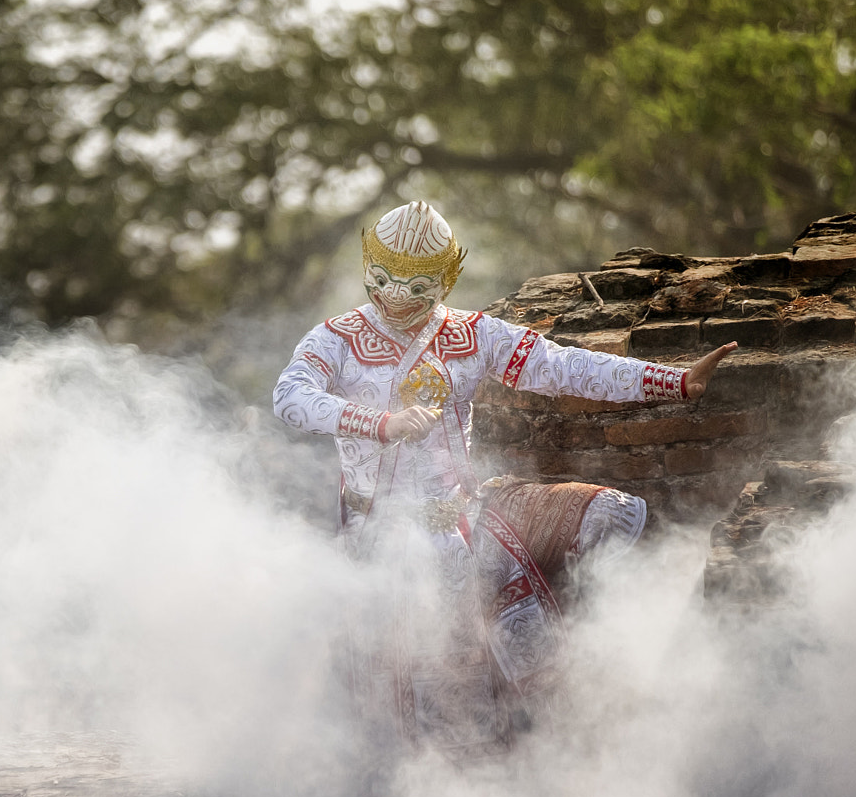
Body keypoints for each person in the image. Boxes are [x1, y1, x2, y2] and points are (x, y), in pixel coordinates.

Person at [274, 201, 734, 757]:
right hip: (381, 535)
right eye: (382, 280)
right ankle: (444, 782)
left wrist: (675, 382)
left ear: (446, 279)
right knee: (432, 676)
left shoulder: (472, 335)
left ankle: (612, 678)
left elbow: (567, 367)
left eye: (416, 286)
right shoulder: (336, 340)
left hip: (468, 517)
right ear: (366, 266)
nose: (396, 297)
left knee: (605, 513)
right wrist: (380, 423)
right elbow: (290, 399)